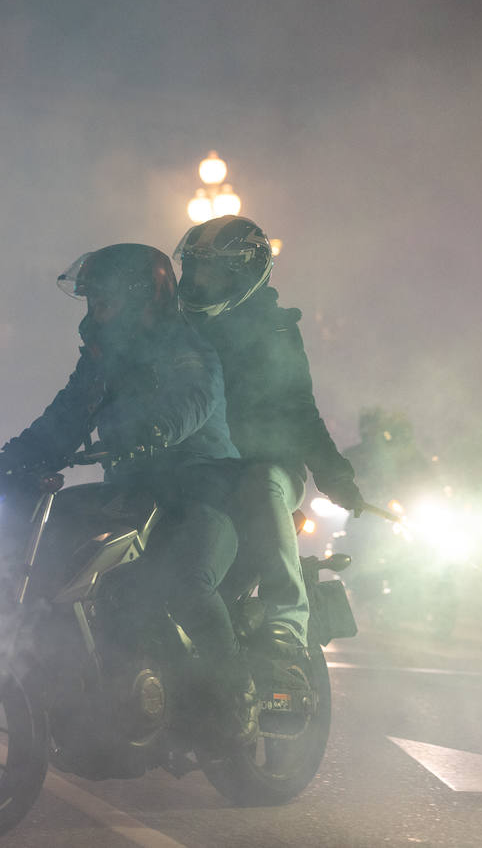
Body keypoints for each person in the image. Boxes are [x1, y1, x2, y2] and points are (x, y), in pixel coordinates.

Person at [0, 243, 255, 744]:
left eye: (105, 301)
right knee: (51, 546)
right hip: (134, 490)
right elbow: (60, 421)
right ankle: (86, 686)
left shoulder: (185, 346)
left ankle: (233, 694)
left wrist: (158, 429)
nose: (95, 313)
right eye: (91, 302)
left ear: (144, 300)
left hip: (199, 487)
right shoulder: (98, 363)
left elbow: (194, 397)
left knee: (184, 579)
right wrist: (0, 469)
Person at [174, 215, 363, 658]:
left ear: (244, 274)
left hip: (268, 465)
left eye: (213, 271)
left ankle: (286, 623)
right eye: (194, 269)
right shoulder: (178, 330)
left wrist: (335, 476)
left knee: (260, 483)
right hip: (201, 465)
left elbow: (300, 410)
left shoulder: (276, 332)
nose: (199, 281)